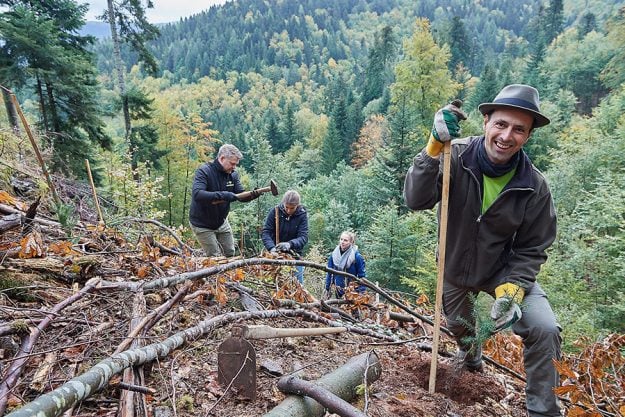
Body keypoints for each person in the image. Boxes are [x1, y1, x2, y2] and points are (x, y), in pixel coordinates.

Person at [404, 84, 562, 417]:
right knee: (460, 325)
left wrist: (514, 288)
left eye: (519, 129)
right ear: (486, 121)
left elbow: (534, 246)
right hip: (454, 262)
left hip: (504, 271)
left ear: (528, 137)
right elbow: (415, 200)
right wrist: (433, 148)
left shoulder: (534, 186)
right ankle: (472, 356)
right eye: (501, 124)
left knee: (544, 328)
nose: (507, 136)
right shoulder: (454, 155)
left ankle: (543, 411)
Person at [189, 144, 260, 257]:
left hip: (221, 221)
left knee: (230, 252)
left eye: (236, 164)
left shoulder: (233, 175)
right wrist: (223, 195)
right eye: (232, 164)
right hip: (202, 223)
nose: (234, 167)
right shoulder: (204, 171)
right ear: (222, 158)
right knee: (214, 256)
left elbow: (239, 195)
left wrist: (253, 195)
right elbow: (198, 194)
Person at [261, 190, 308, 283]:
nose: (288, 210)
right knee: (272, 284)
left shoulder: (302, 215)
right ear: (283, 203)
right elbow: (266, 232)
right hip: (275, 255)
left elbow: (304, 237)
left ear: (297, 205)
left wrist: (290, 244)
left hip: (295, 255)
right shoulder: (275, 212)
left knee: (297, 285)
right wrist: (271, 248)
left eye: (292, 208)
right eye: (287, 207)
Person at [325, 231, 366, 298]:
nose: (342, 242)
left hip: (353, 293)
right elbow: (329, 273)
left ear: (351, 242)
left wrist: (361, 293)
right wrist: (327, 288)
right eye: (341, 239)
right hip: (338, 291)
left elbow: (362, 276)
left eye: (345, 240)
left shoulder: (357, 257)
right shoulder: (334, 255)